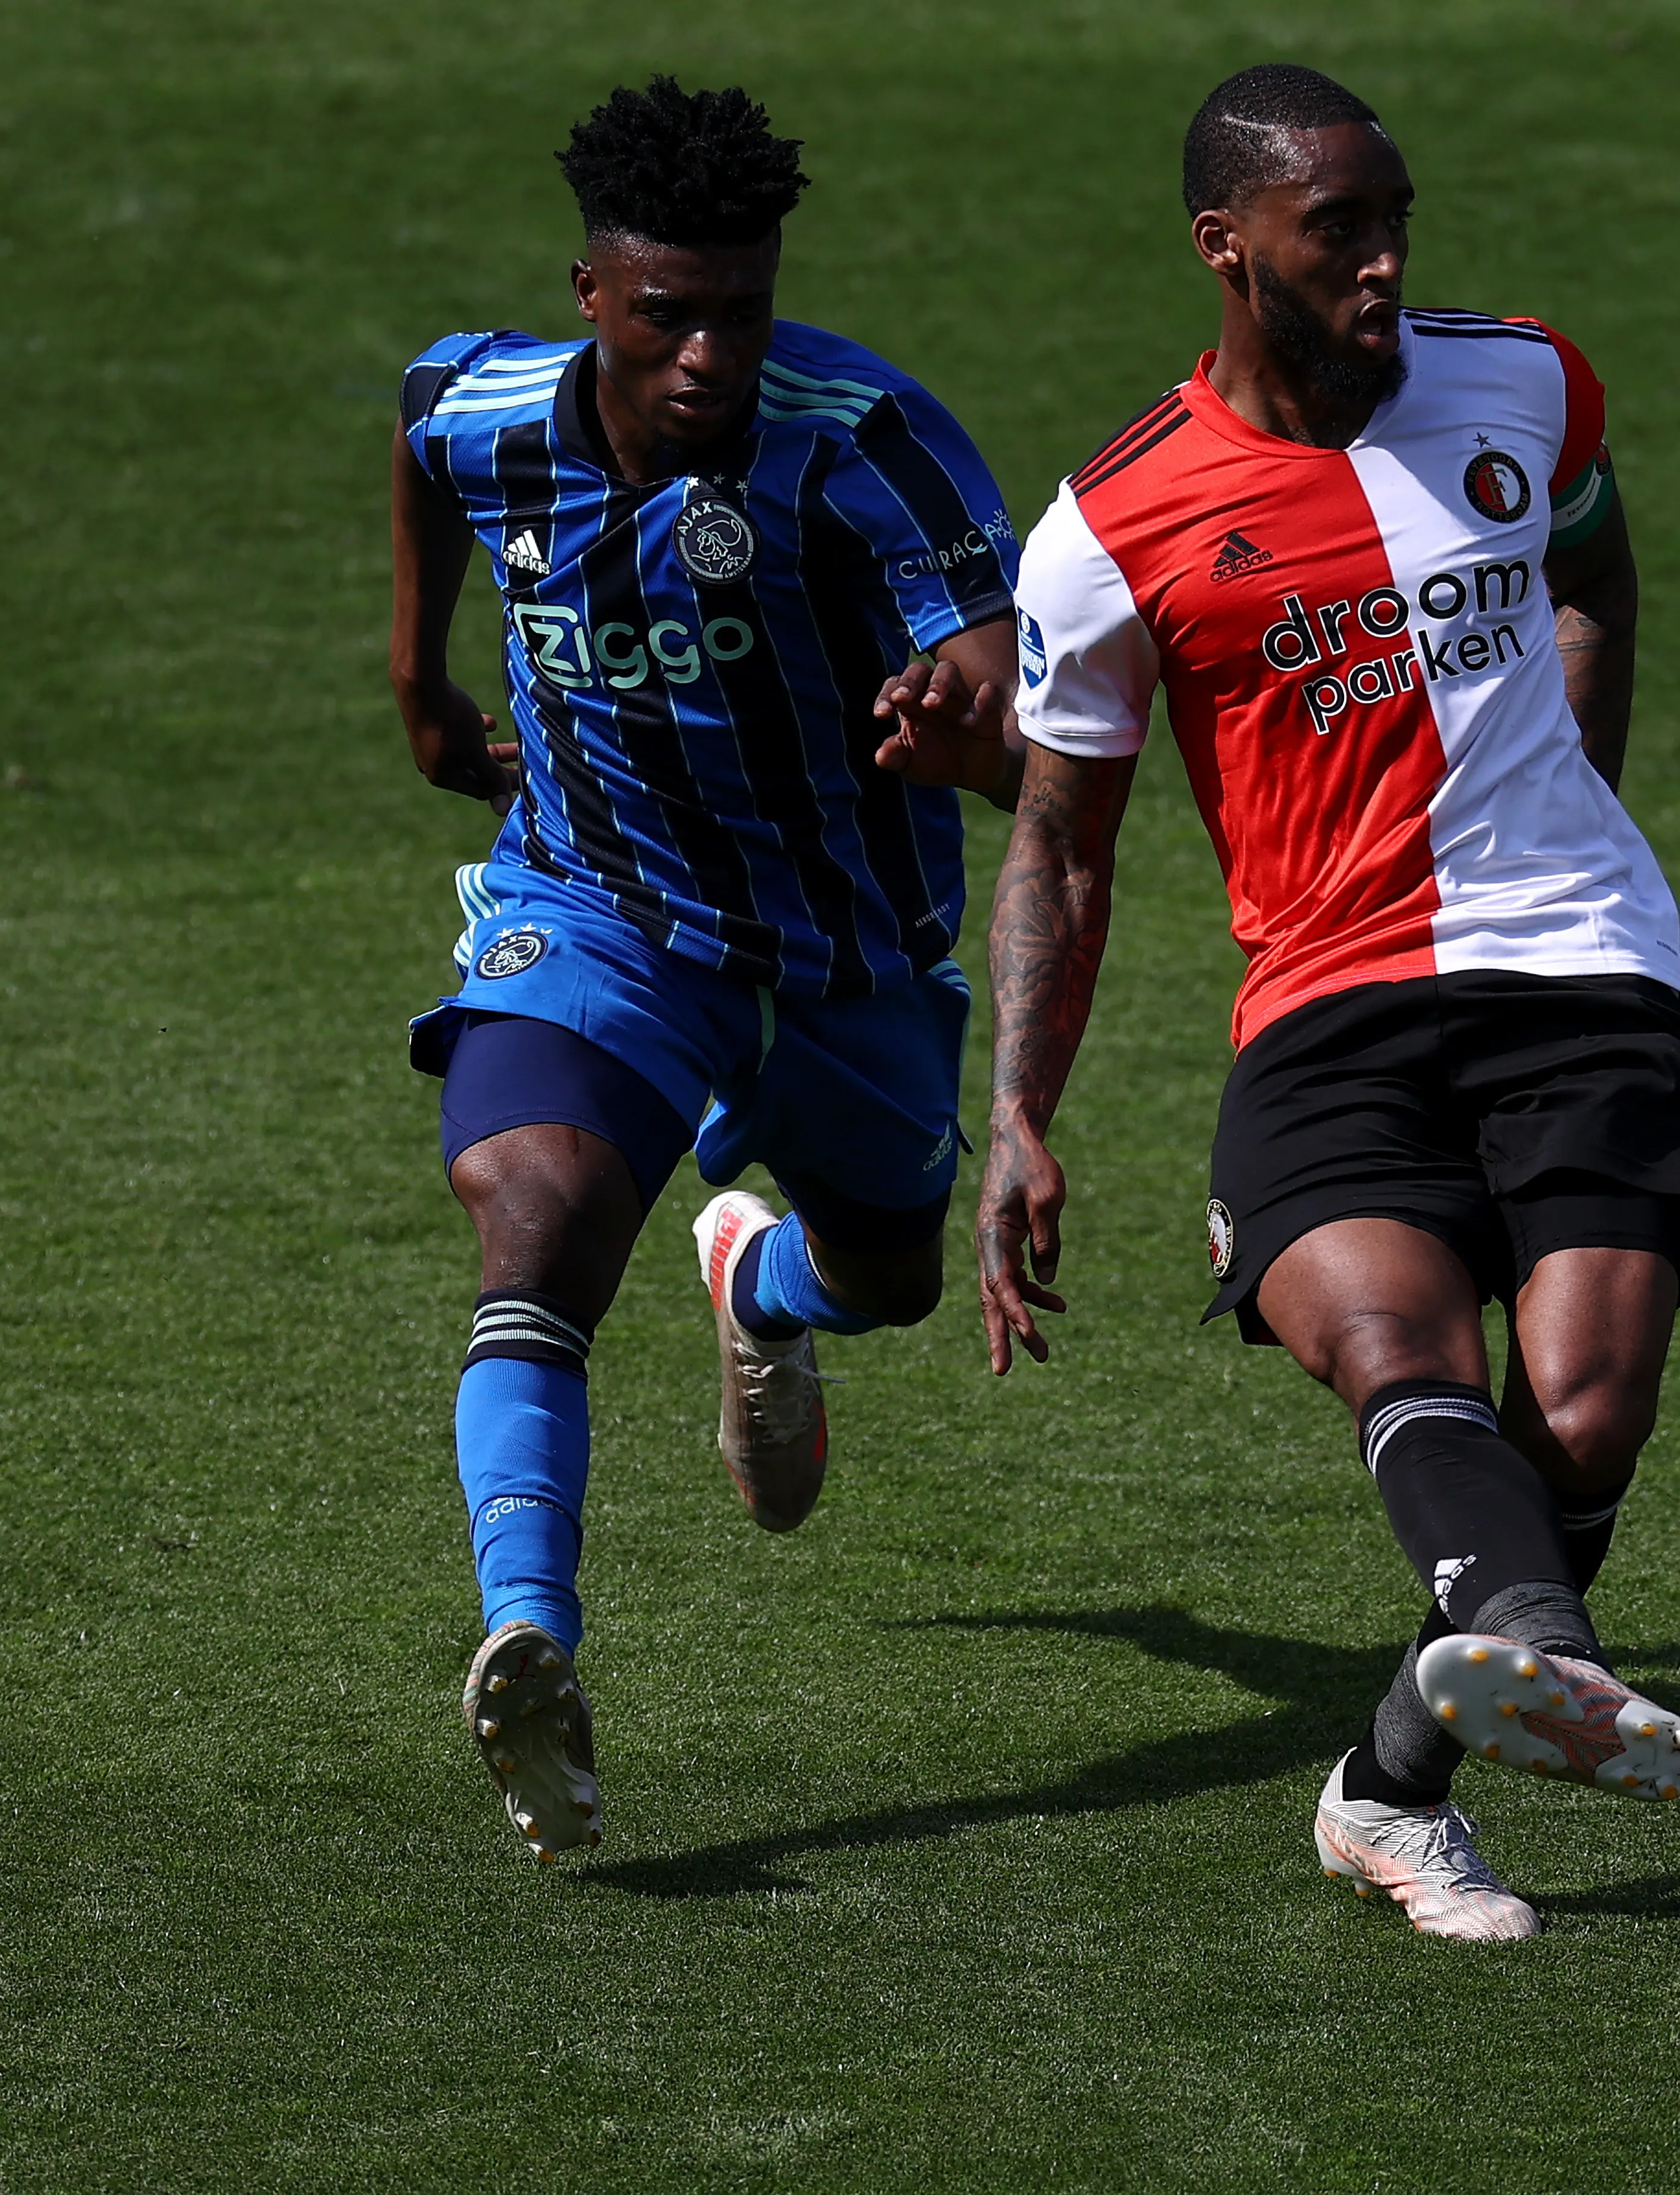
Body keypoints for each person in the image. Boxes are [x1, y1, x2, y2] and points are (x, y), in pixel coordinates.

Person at [948, 63, 1680, 1941]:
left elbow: (1597, 566)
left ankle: (1395, 1775)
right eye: (1340, 233)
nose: (1386, 265)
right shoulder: (1112, 527)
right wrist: (1019, 1114)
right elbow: (1060, 839)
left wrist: (1576, 802)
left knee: (1591, 1408)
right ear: (1230, 249)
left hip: (1580, 966)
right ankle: (1534, 1640)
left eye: (1399, 226)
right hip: (1328, 1002)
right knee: (1398, 1348)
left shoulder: (1527, 383)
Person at [388, 78, 1026, 1861]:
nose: (704, 354)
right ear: (591, 292)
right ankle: (536, 1638)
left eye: (737, 312)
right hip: (597, 913)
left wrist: (963, 733)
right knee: (536, 1215)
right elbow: (421, 441)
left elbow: (1031, 729)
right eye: (666, 315)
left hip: (839, 954)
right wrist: (421, 679)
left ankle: (763, 1295)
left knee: (891, 1276)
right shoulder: (491, 405)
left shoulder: (867, 440)